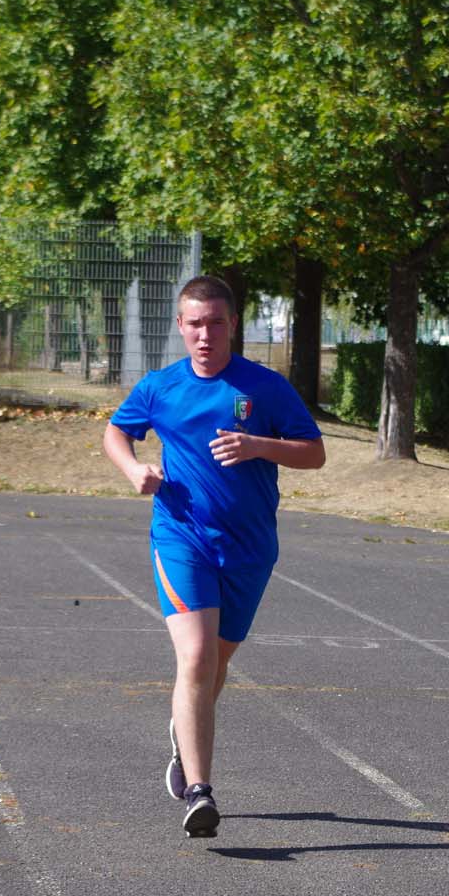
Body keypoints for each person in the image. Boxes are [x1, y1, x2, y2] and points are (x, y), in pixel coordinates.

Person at [103, 275, 325, 837]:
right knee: (198, 657)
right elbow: (116, 432)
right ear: (180, 327)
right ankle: (201, 792)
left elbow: (314, 454)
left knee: (216, 663)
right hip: (182, 537)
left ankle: (184, 733)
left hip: (249, 547)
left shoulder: (266, 388)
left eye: (216, 323)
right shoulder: (159, 388)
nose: (205, 334)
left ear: (232, 325)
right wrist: (135, 470)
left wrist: (257, 446)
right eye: (194, 324)